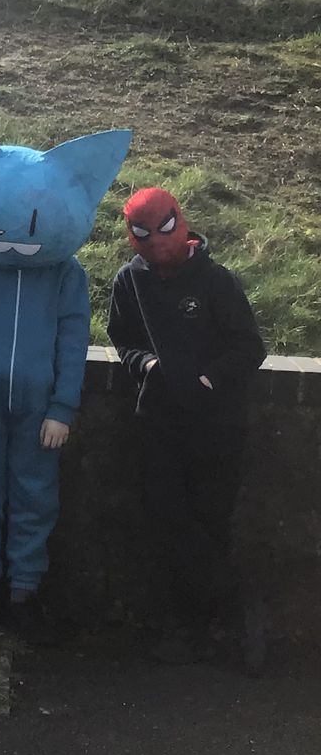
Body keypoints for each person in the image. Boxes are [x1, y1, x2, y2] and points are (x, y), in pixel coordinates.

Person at [0, 104, 130, 641]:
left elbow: (72, 342)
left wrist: (63, 407)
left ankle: (24, 595)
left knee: (35, 495)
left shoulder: (66, 276)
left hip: (41, 410)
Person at [107, 187, 269, 670]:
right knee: (167, 522)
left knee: (209, 523)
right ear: (130, 233)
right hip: (159, 421)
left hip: (218, 425)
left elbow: (249, 346)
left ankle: (228, 622)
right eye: (142, 232)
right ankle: (202, 624)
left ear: (181, 222)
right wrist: (150, 366)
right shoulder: (129, 281)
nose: (155, 240)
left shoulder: (217, 280)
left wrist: (209, 379)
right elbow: (123, 340)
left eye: (164, 227)